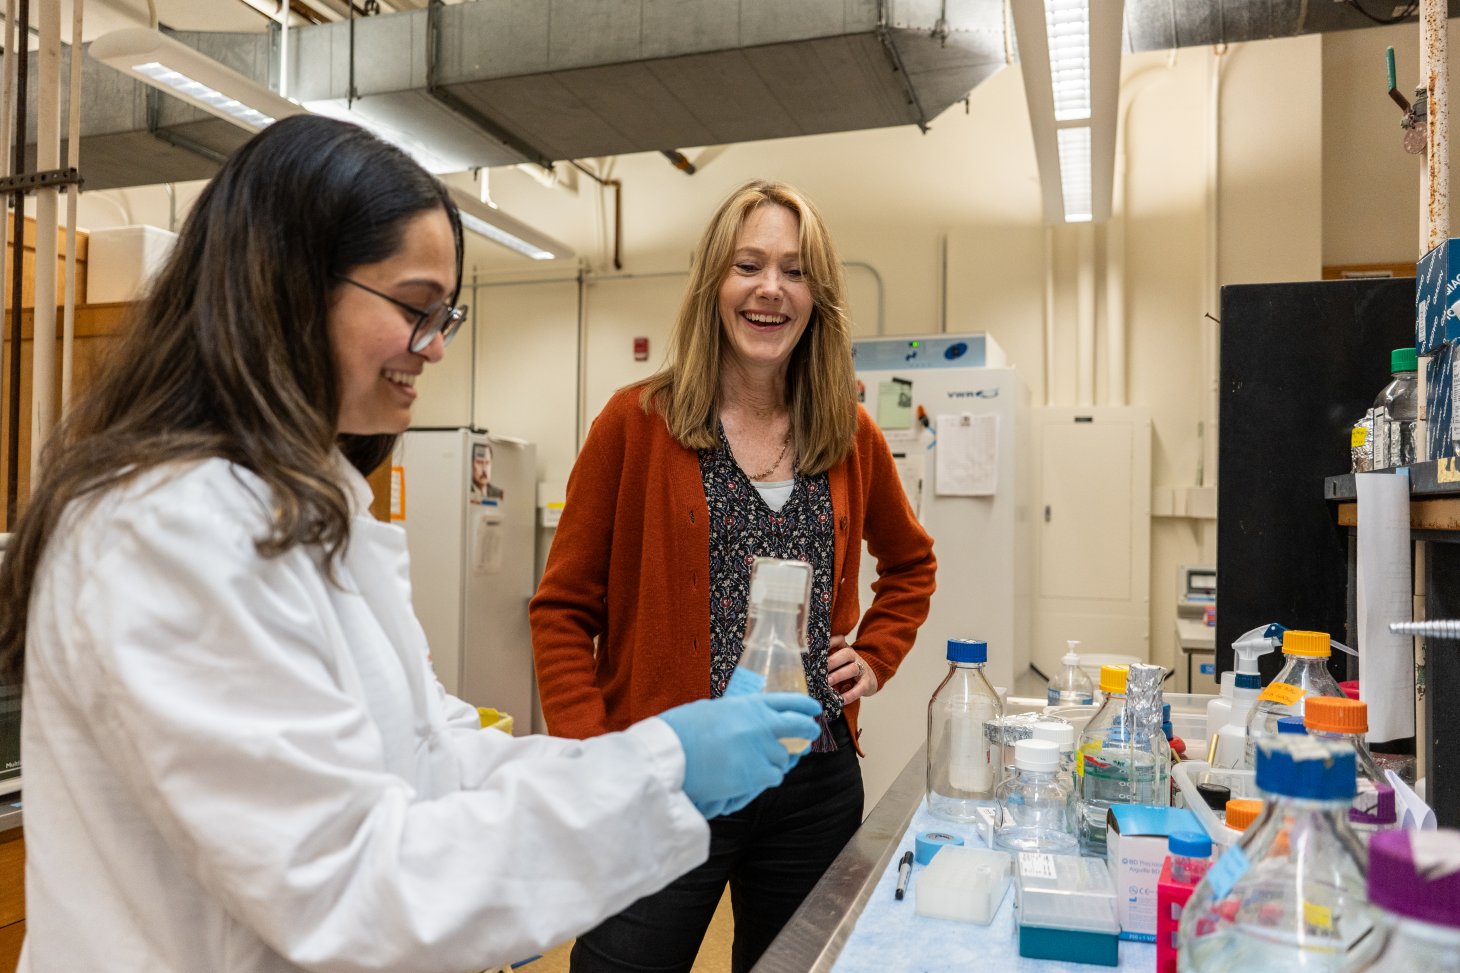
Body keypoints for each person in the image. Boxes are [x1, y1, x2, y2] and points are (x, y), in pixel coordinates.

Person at [0, 116, 823, 973]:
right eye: (416, 307)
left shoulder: (314, 508)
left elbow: (438, 753)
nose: (434, 346)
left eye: (448, 315)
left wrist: (645, 763)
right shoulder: (169, 528)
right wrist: (662, 766)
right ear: (287, 284)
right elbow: (349, 885)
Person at [531, 180, 936, 973]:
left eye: (793, 270)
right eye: (748, 264)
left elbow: (912, 561)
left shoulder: (846, 430)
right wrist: (597, 760)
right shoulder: (635, 422)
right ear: (714, 282)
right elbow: (561, 610)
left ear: (816, 296)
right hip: (669, 778)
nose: (769, 289)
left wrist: (878, 655)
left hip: (812, 781)